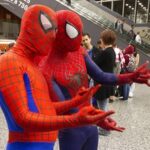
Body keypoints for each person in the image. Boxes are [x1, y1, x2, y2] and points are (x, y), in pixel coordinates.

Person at [0, 5, 115, 150]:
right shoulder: (9, 61)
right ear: (28, 28)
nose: (54, 35)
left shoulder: (31, 66)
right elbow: (23, 118)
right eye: (47, 26)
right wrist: (73, 119)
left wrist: (75, 102)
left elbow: (43, 108)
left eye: (55, 29)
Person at [39, 10, 150, 150]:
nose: (80, 39)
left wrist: (129, 77)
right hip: (72, 130)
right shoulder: (47, 65)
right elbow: (66, 107)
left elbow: (101, 75)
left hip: (88, 126)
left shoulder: (79, 51)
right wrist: (98, 118)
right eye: (75, 33)